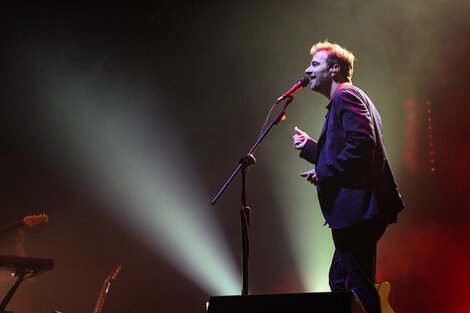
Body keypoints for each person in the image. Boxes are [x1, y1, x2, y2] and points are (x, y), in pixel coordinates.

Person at [292, 41, 405, 313]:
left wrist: (324, 171)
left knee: (355, 284)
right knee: (342, 281)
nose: (308, 69)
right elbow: (348, 149)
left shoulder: (346, 96)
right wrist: (312, 149)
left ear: (335, 69)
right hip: (360, 211)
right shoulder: (346, 99)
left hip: (358, 210)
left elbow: (362, 146)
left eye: (315, 64)